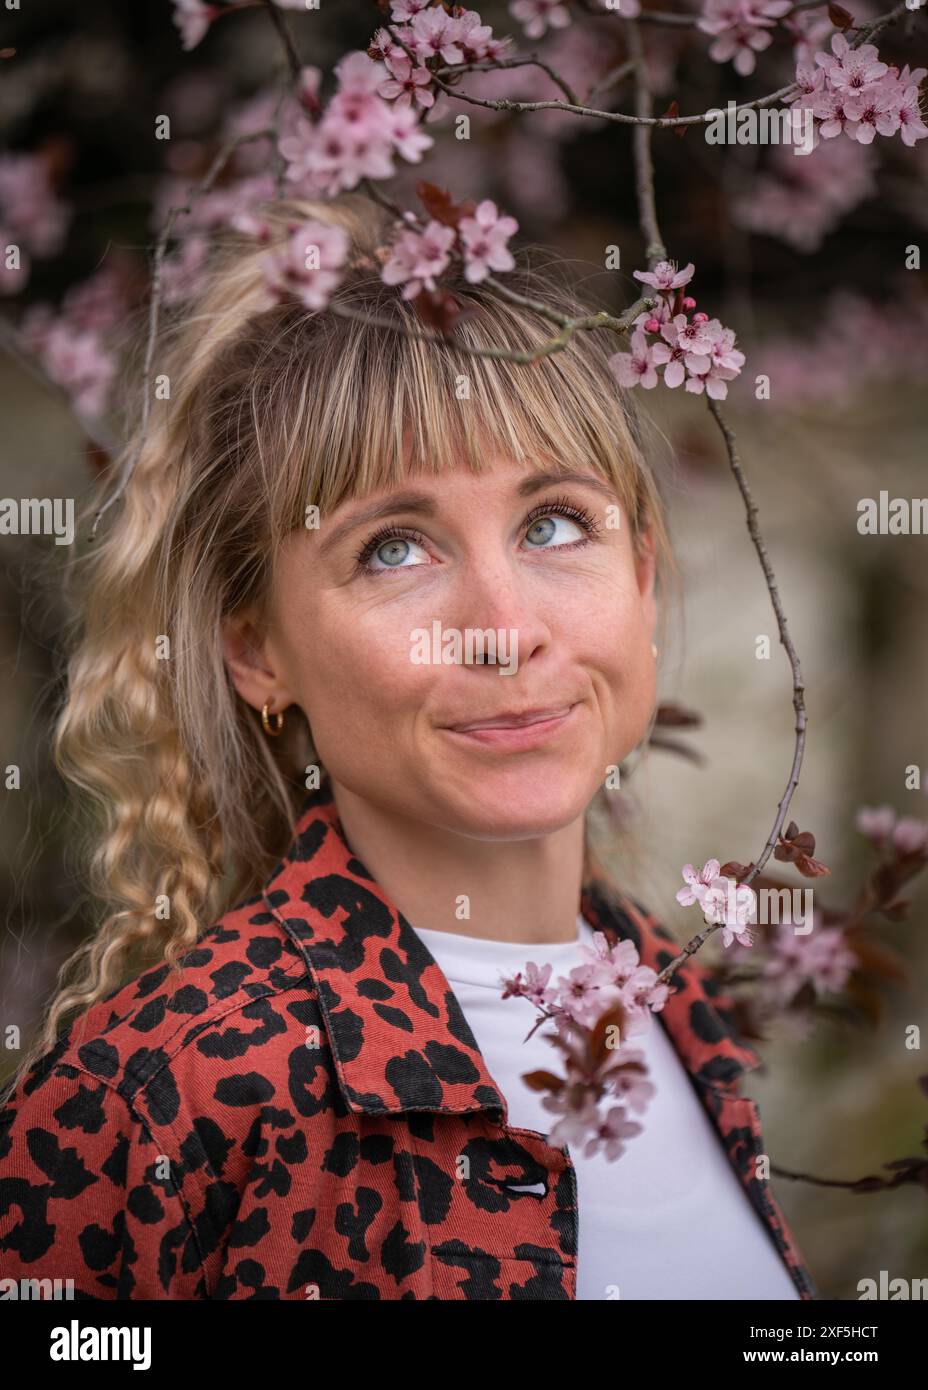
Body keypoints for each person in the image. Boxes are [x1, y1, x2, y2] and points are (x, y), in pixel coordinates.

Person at [0, 192, 816, 1301]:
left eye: (553, 524)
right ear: (256, 650)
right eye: (393, 548)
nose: (503, 625)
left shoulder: (680, 1015)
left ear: (640, 577)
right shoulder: (156, 1095)